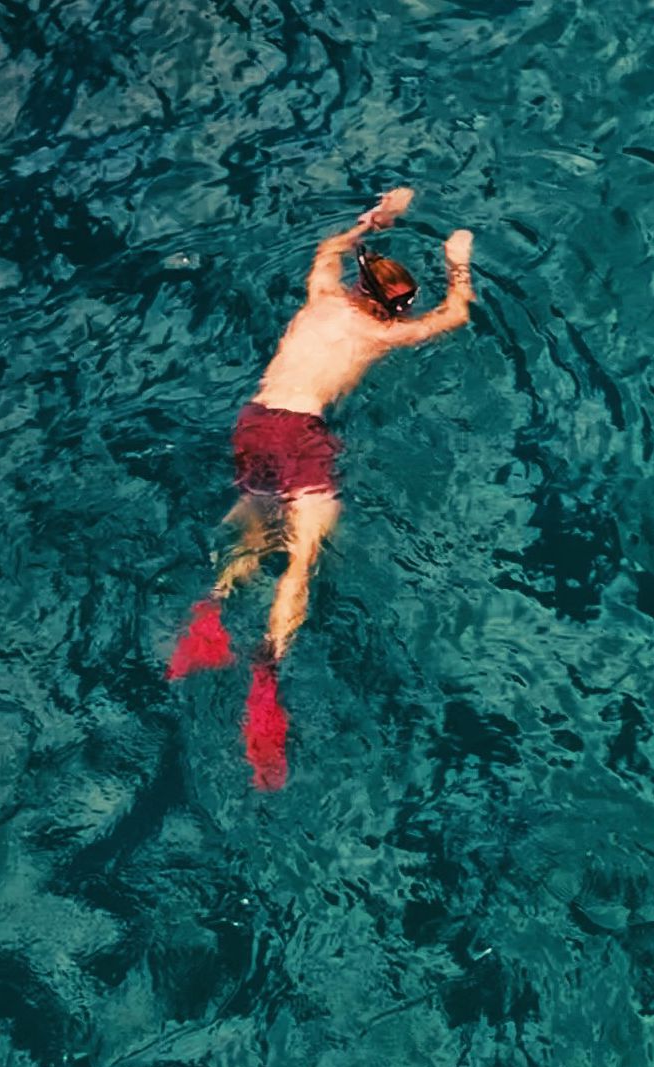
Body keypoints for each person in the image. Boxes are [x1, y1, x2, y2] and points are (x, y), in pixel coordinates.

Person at [165, 187, 477, 789]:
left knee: (255, 520)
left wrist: (379, 217)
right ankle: (267, 670)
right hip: (301, 430)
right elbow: (456, 314)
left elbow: (329, 246)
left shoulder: (321, 295)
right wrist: (457, 257)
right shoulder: (384, 335)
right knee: (302, 558)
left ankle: (213, 608)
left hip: (254, 420)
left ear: (360, 284)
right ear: (397, 306)